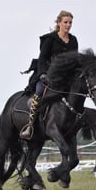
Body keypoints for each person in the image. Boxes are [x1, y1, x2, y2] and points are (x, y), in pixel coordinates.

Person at [20, 10, 79, 139]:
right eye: (65, 22)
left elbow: (75, 60)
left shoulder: (73, 40)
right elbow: (42, 58)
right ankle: (30, 126)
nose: (68, 25)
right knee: (39, 92)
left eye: (70, 22)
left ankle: (77, 121)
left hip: (66, 78)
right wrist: (42, 74)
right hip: (48, 75)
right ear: (59, 23)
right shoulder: (50, 39)